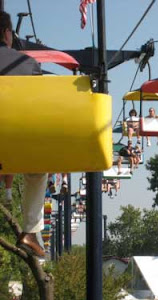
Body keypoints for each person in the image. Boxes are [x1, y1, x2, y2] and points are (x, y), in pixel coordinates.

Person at [0, 11, 46, 257]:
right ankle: (30, 230)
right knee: (38, 167)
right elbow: (39, 106)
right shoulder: (26, 64)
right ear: (8, 33)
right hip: (15, 142)